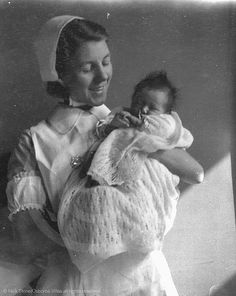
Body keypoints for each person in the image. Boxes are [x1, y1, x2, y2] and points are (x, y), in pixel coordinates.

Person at [2, 15, 204, 295]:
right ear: (60, 74)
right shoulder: (36, 140)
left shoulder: (131, 121)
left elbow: (194, 173)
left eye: (106, 62)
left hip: (145, 276)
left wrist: (137, 139)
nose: (103, 76)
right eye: (88, 68)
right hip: (80, 280)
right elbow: (28, 239)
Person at [57, 70, 194, 295]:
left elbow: (172, 138)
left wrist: (142, 132)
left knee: (138, 202)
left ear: (166, 113)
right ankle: (104, 238)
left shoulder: (165, 125)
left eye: (152, 107)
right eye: (139, 102)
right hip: (112, 168)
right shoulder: (119, 115)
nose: (144, 110)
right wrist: (114, 126)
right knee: (98, 198)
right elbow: (101, 131)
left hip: (143, 176)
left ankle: (139, 235)